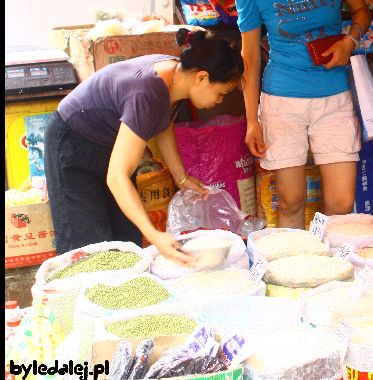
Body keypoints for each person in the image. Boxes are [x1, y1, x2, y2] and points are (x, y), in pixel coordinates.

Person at [43, 29, 244, 265]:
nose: (219, 101)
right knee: (89, 251)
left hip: (110, 146)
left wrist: (181, 177)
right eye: (221, 93)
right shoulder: (148, 90)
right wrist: (155, 236)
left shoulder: (176, 77)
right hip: (73, 145)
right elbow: (117, 177)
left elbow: (162, 122)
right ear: (201, 77)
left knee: (126, 244)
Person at [233, 0, 372, 229]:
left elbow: (361, 12)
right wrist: (251, 120)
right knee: (292, 200)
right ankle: (294, 272)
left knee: (341, 203)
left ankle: (332, 272)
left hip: (334, 97)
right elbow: (250, 58)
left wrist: (349, 41)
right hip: (282, 102)